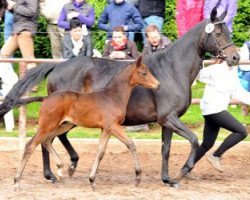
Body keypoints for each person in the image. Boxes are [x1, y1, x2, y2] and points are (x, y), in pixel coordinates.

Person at [190, 59, 250, 173]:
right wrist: (200, 61)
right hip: (214, 110)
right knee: (241, 132)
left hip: (212, 111)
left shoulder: (232, 72)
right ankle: (216, 155)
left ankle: (186, 168)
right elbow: (199, 75)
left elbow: (238, 92)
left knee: (207, 144)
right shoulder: (216, 69)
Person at [0, 0, 38, 92]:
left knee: (29, 58)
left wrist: (15, 6)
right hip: (17, 29)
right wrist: (10, 9)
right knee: (3, 55)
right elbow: (19, 13)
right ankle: (12, 81)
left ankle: (33, 85)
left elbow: (32, 11)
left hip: (25, 29)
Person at [237, 41, 250, 116]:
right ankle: (244, 112)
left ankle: (244, 111)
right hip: (245, 71)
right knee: (245, 92)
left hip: (245, 70)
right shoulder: (247, 46)